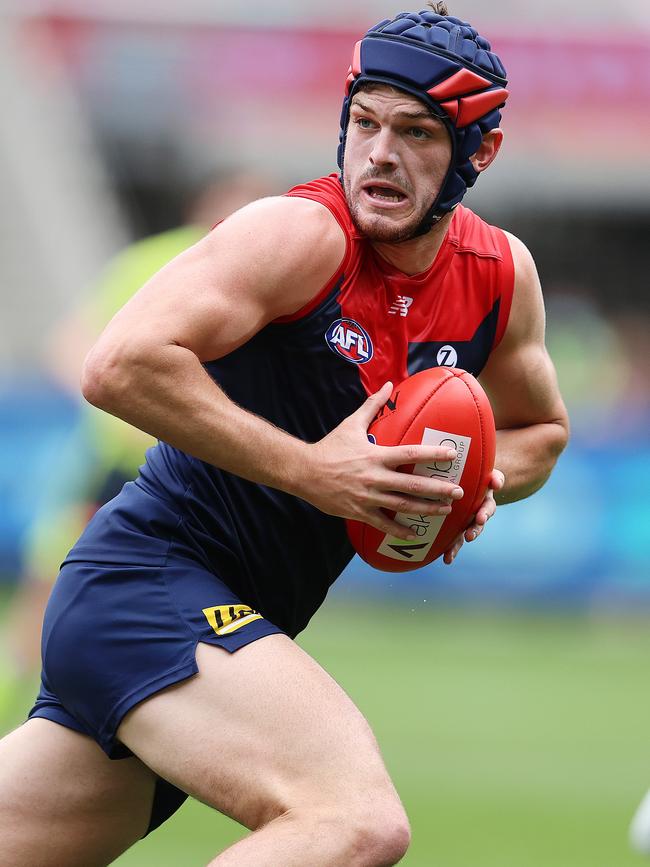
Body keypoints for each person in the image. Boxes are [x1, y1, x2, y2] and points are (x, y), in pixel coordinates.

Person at [0, 5, 569, 865]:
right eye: (365, 121)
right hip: (146, 579)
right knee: (352, 821)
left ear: (478, 153)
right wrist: (314, 471)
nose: (379, 152)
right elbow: (118, 364)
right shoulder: (300, 234)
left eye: (416, 132)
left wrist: (469, 482)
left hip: (216, 609)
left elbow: (541, 430)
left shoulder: (498, 275)